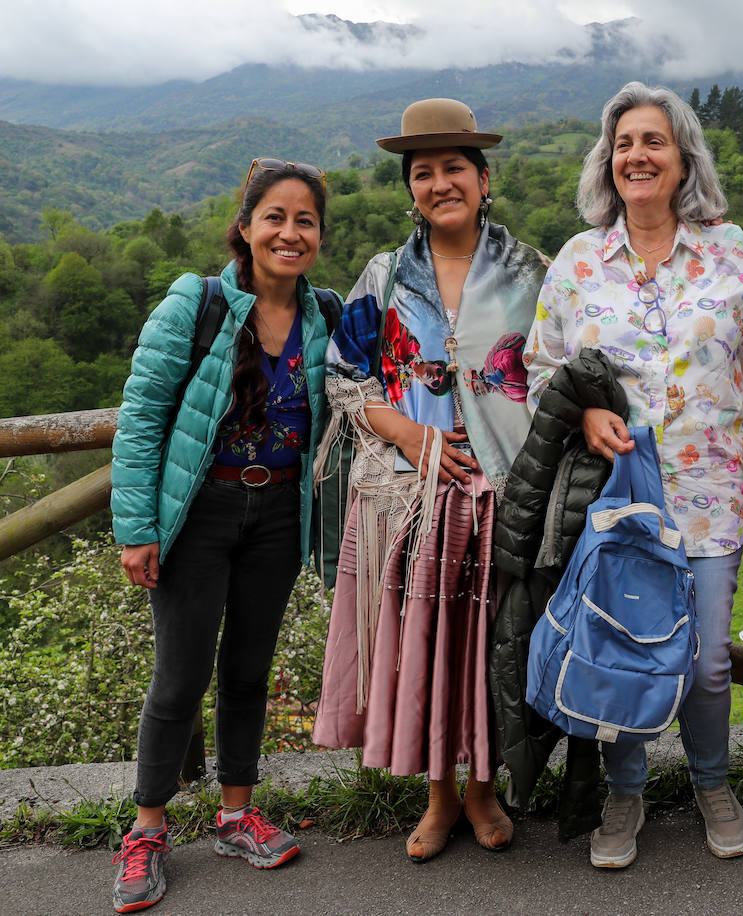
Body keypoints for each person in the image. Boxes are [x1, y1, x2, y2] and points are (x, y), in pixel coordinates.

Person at [524, 81, 743, 868]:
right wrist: (580, 414)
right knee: (622, 651)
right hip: (616, 502)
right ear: (608, 163)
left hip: (708, 498)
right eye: (623, 144)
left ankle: (712, 782)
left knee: (708, 662)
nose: (637, 155)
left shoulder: (733, 252)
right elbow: (541, 369)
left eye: (654, 142)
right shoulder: (578, 261)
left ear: (683, 161)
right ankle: (626, 792)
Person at [312, 98, 545, 864]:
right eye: (424, 172)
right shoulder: (384, 275)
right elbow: (346, 378)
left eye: (455, 168)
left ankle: (485, 790)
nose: (440, 182)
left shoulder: (531, 272)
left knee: (488, 649)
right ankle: (439, 797)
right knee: (425, 647)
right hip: (411, 501)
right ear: (409, 188)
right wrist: (411, 434)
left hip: (505, 495)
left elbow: (555, 376)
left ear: (485, 179)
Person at [109, 158, 333, 912]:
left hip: (278, 517)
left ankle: (237, 814)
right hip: (199, 512)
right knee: (179, 677)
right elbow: (141, 417)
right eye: (274, 216)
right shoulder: (197, 302)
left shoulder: (323, 315)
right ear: (245, 227)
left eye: (305, 220)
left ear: (319, 237)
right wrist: (136, 529)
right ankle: (146, 829)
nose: (289, 232)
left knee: (247, 670)